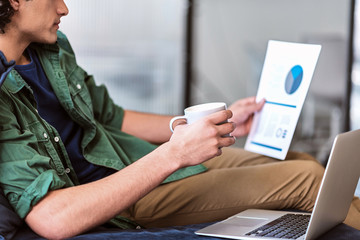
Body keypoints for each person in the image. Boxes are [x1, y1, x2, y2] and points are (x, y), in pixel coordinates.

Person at [0, 0, 359, 239]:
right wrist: (174, 154)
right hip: (125, 193)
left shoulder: (51, 48)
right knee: (308, 180)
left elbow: (112, 117)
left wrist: (199, 126)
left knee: (303, 163)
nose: (64, 7)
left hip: (134, 155)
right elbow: (52, 219)